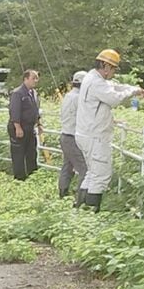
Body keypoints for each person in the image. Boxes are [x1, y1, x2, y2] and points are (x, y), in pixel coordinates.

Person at [75, 50, 144, 212]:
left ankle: (80, 209)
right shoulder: (97, 83)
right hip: (95, 136)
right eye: (113, 68)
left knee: (92, 174)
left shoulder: (90, 78)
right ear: (105, 66)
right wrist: (131, 92)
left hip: (86, 134)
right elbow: (114, 98)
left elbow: (113, 86)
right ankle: (91, 215)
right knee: (101, 176)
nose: (113, 72)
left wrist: (134, 89)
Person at [57, 71, 90, 202]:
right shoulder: (79, 99)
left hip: (65, 135)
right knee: (84, 169)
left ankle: (63, 193)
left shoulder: (68, 96)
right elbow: (87, 117)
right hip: (74, 137)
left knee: (68, 165)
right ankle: (81, 199)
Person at [7, 70, 42, 180]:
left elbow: (35, 110)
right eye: (33, 78)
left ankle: (32, 175)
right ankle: (19, 178)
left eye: (37, 78)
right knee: (18, 153)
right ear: (26, 79)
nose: (36, 81)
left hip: (30, 127)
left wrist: (39, 123)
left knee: (31, 152)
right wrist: (17, 127)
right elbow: (14, 111)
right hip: (19, 126)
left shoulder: (34, 93)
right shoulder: (18, 93)